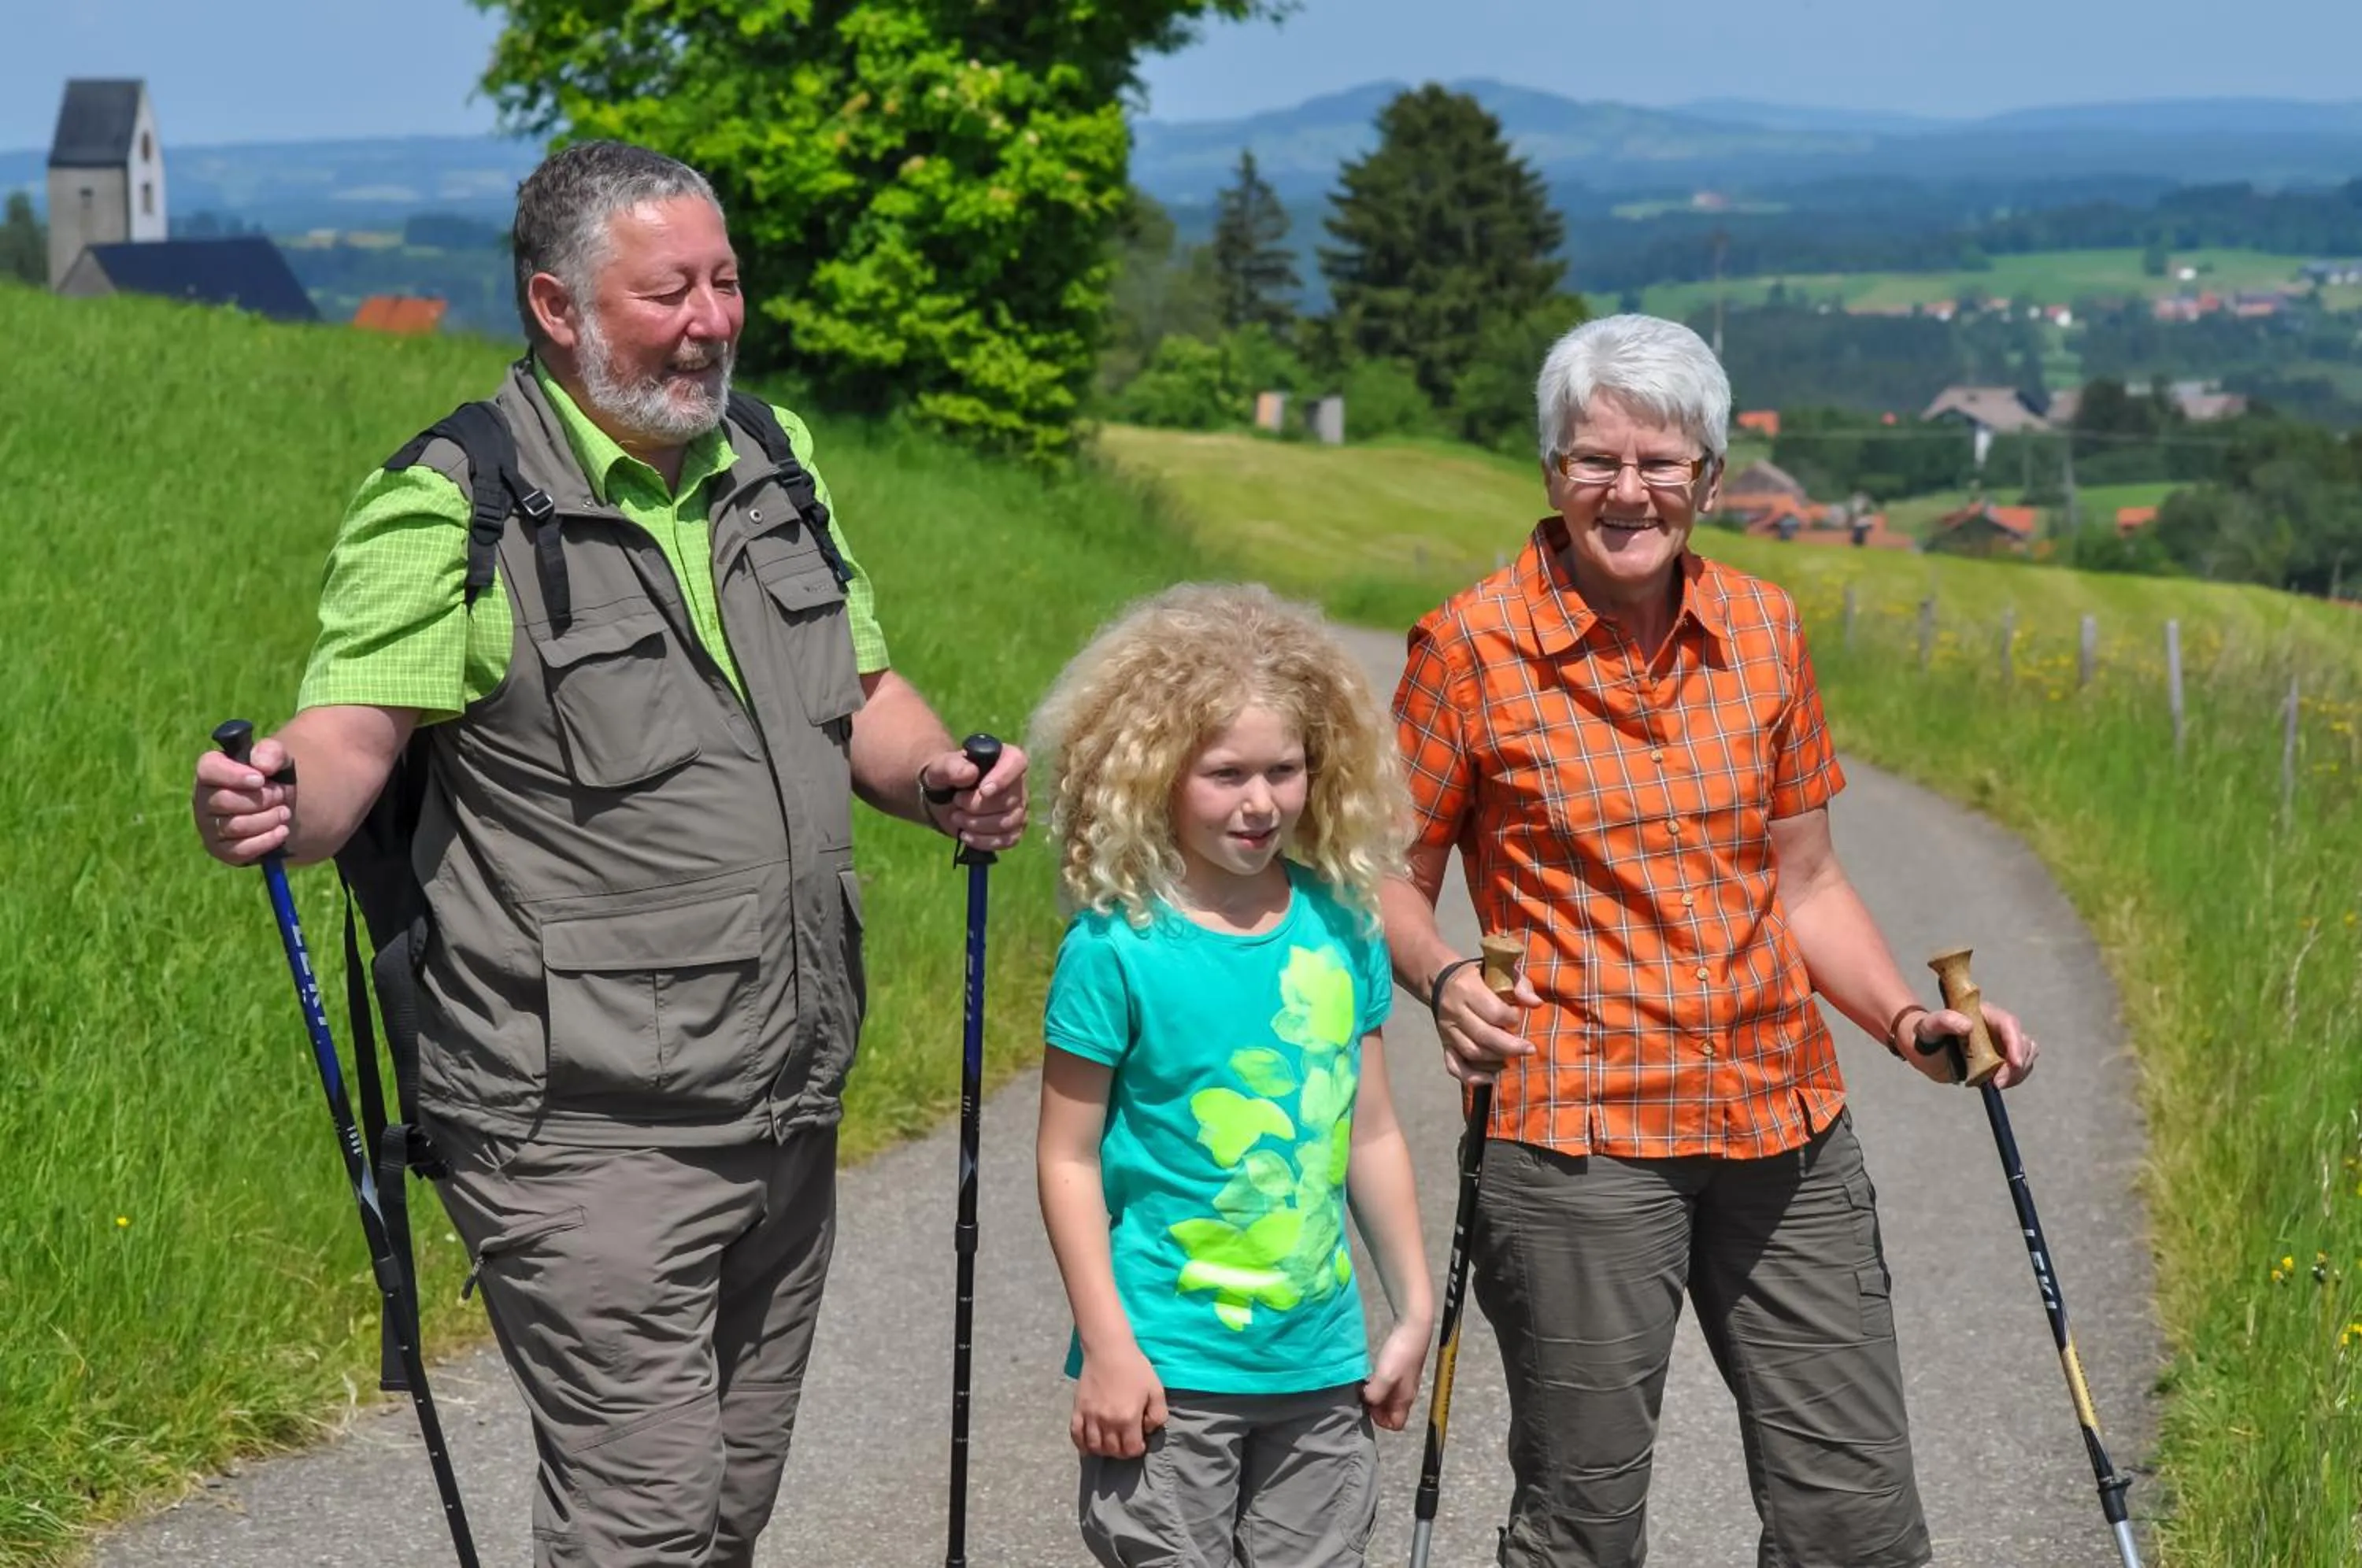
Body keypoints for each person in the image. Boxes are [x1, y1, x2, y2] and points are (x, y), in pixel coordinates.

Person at [188, 140, 1027, 1567]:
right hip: (576, 1128)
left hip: (785, 1093)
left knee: (723, 1506)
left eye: (727, 280)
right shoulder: (447, 502)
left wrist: (943, 778)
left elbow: (863, 694)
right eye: (669, 291)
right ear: (558, 306)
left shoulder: (774, 458)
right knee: (640, 1520)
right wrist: (272, 795)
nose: (713, 318)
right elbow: (347, 741)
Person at [1379, 313, 2040, 1568]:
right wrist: (1446, 974)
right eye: (1596, 460)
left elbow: (1810, 884)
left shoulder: (1765, 631)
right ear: (1551, 474)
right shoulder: (1466, 648)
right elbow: (1385, 881)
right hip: (1578, 1140)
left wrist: (1912, 1025)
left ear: (1712, 479)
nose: (1628, 491)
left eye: (1661, 463)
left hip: (1783, 1125)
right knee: (1584, 1527)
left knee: (1856, 1520)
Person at [1028, 582, 1434, 1568]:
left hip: (1318, 1366)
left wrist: (1412, 1307)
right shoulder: (1117, 950)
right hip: (1168, 1369)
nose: (1260, 802)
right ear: (1155, 773)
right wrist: (1108, 1348)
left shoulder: (1343, 926)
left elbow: (1370, 1129)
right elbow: (1068, 1158)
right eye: (1224, 773)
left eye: (1284, 771)